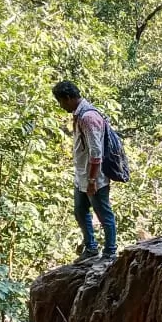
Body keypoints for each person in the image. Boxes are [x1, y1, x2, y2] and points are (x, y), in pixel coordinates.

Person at [52, 80, 117, 261]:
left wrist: (92, 180)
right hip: (82, 174)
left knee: (103, 213)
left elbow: (96, 154)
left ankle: (110, 252)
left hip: (94, 177)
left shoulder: (88, 117)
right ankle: (91, 247)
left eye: (61, 102)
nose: (61, 106)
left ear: (68, 98)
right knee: (80, 210)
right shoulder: (79, 114)